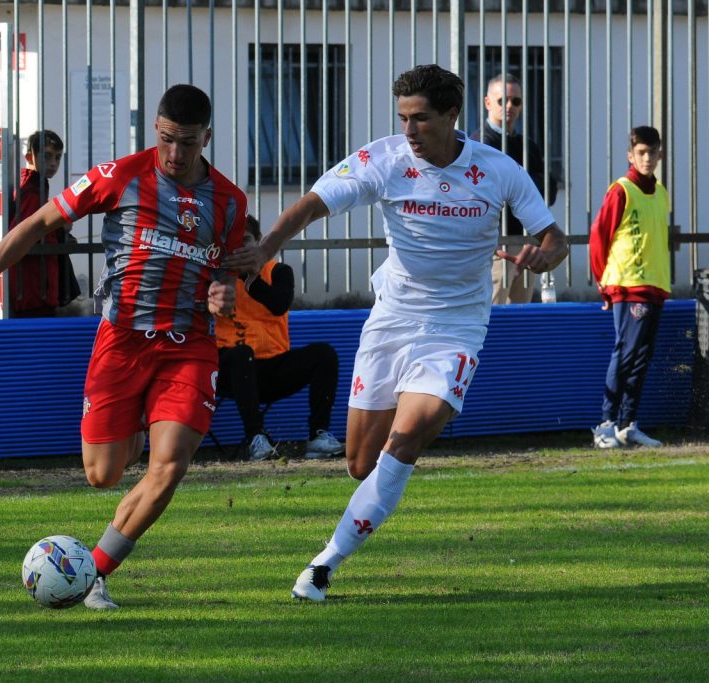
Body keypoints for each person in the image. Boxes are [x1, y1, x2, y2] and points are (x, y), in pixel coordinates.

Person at [226, 64, 567, 602]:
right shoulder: (383, 159)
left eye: (421, 119)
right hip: (391, 320)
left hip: (457, 327)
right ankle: (347, 530)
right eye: (403, 118)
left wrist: (544, 257)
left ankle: (322, 565)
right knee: (361, 463)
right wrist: (267, 247)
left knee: (408, 436)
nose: (409, 130)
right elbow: (315, 202)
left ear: (453, 116)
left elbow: (554, 238)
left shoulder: (498, 169)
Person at [0, 84, 247, 609]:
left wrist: (226, 294)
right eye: (168, 139)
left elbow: (227, 273)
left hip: (189, 346)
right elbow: (38, 223)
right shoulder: (119, 176)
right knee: (103, 474)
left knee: (169, 466)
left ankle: (94, 574)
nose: (176, 154)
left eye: (189, 143)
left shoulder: (229, 201)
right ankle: (132, 430)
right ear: (156, 130)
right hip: (122, 342)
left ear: (207, 138)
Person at [214, 216, 344, 461]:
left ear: (259, 241)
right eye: (234, 243)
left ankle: (318, 434)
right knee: (242, 354)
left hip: (273, 367)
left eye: (246, 240)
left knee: (324, 353)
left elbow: (278, 305)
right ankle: (256, 438)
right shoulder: (216, 275)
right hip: (231, 369)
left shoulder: (279, 271)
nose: (240, 247)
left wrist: (248, 277)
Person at [588, 126, 670, 449]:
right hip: (627, 285)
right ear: (631, 155)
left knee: (641, 358)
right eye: (641, 153)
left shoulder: (660, 193)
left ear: (660, 154)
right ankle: (605, 424)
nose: (647, 158)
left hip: (655, 286)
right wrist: (603, 284)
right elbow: (599, 237)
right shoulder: (621, 190)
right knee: (625, 354)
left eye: (653, 152)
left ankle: (627, 424)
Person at [470, 73, 559, 304]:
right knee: (492, 313)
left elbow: (548, 191)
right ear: (488, 102)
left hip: (527, 240)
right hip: (495, 244)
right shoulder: (479, 144)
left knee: (521, 316)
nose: (509, 106)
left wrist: (518, 190)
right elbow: (485, 195)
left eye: (516, 101)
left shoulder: (528, 145)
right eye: (503, 100)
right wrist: (524, 188)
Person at [6, 130, 80, 317]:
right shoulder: (31, 191)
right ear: (29, 156)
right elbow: (23, 233)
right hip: (35, 289)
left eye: (57, 157)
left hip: (35, 288)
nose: (53, 163)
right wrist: (58, 227)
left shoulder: (35, 188)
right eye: (46, 156)